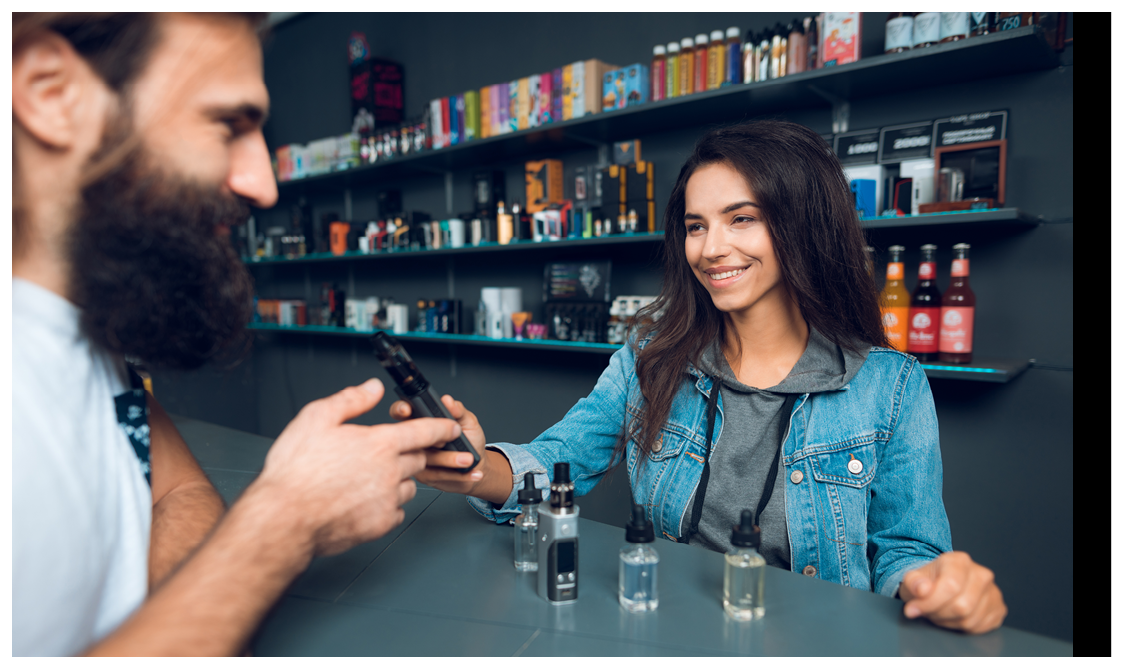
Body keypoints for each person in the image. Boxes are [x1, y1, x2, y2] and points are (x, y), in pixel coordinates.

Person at [394, 121, 1009, 635]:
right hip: (663, 633)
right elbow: (560, 460)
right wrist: (474, 467)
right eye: (695, 225)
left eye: (741, 219)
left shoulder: (891, 387)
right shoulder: (648, 357)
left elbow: (907, 552)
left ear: (803, 224)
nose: (711, 247)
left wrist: (939, 585)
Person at [12, 12, 465, 656]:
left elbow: (180, 490)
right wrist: (286, 522)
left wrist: (159, 631)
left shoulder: (91, 343)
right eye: (228, 125)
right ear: (52, 92)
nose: (265, 184)